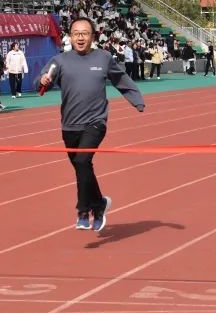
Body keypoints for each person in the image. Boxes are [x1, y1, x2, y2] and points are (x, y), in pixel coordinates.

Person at [38, 17, 144, 233]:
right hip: (69, 125)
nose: (80, 37)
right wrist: (42, 82)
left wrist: (137, 100)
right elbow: (41, 82)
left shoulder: (104, 58)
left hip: (95, 122)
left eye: (85, 33)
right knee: (81, 167)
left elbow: (121, 79)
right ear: (70, 36)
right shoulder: (60, 60)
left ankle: (83, 210)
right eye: (76, 33)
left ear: (92, 36)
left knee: (82, 160)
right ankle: (99, 203)